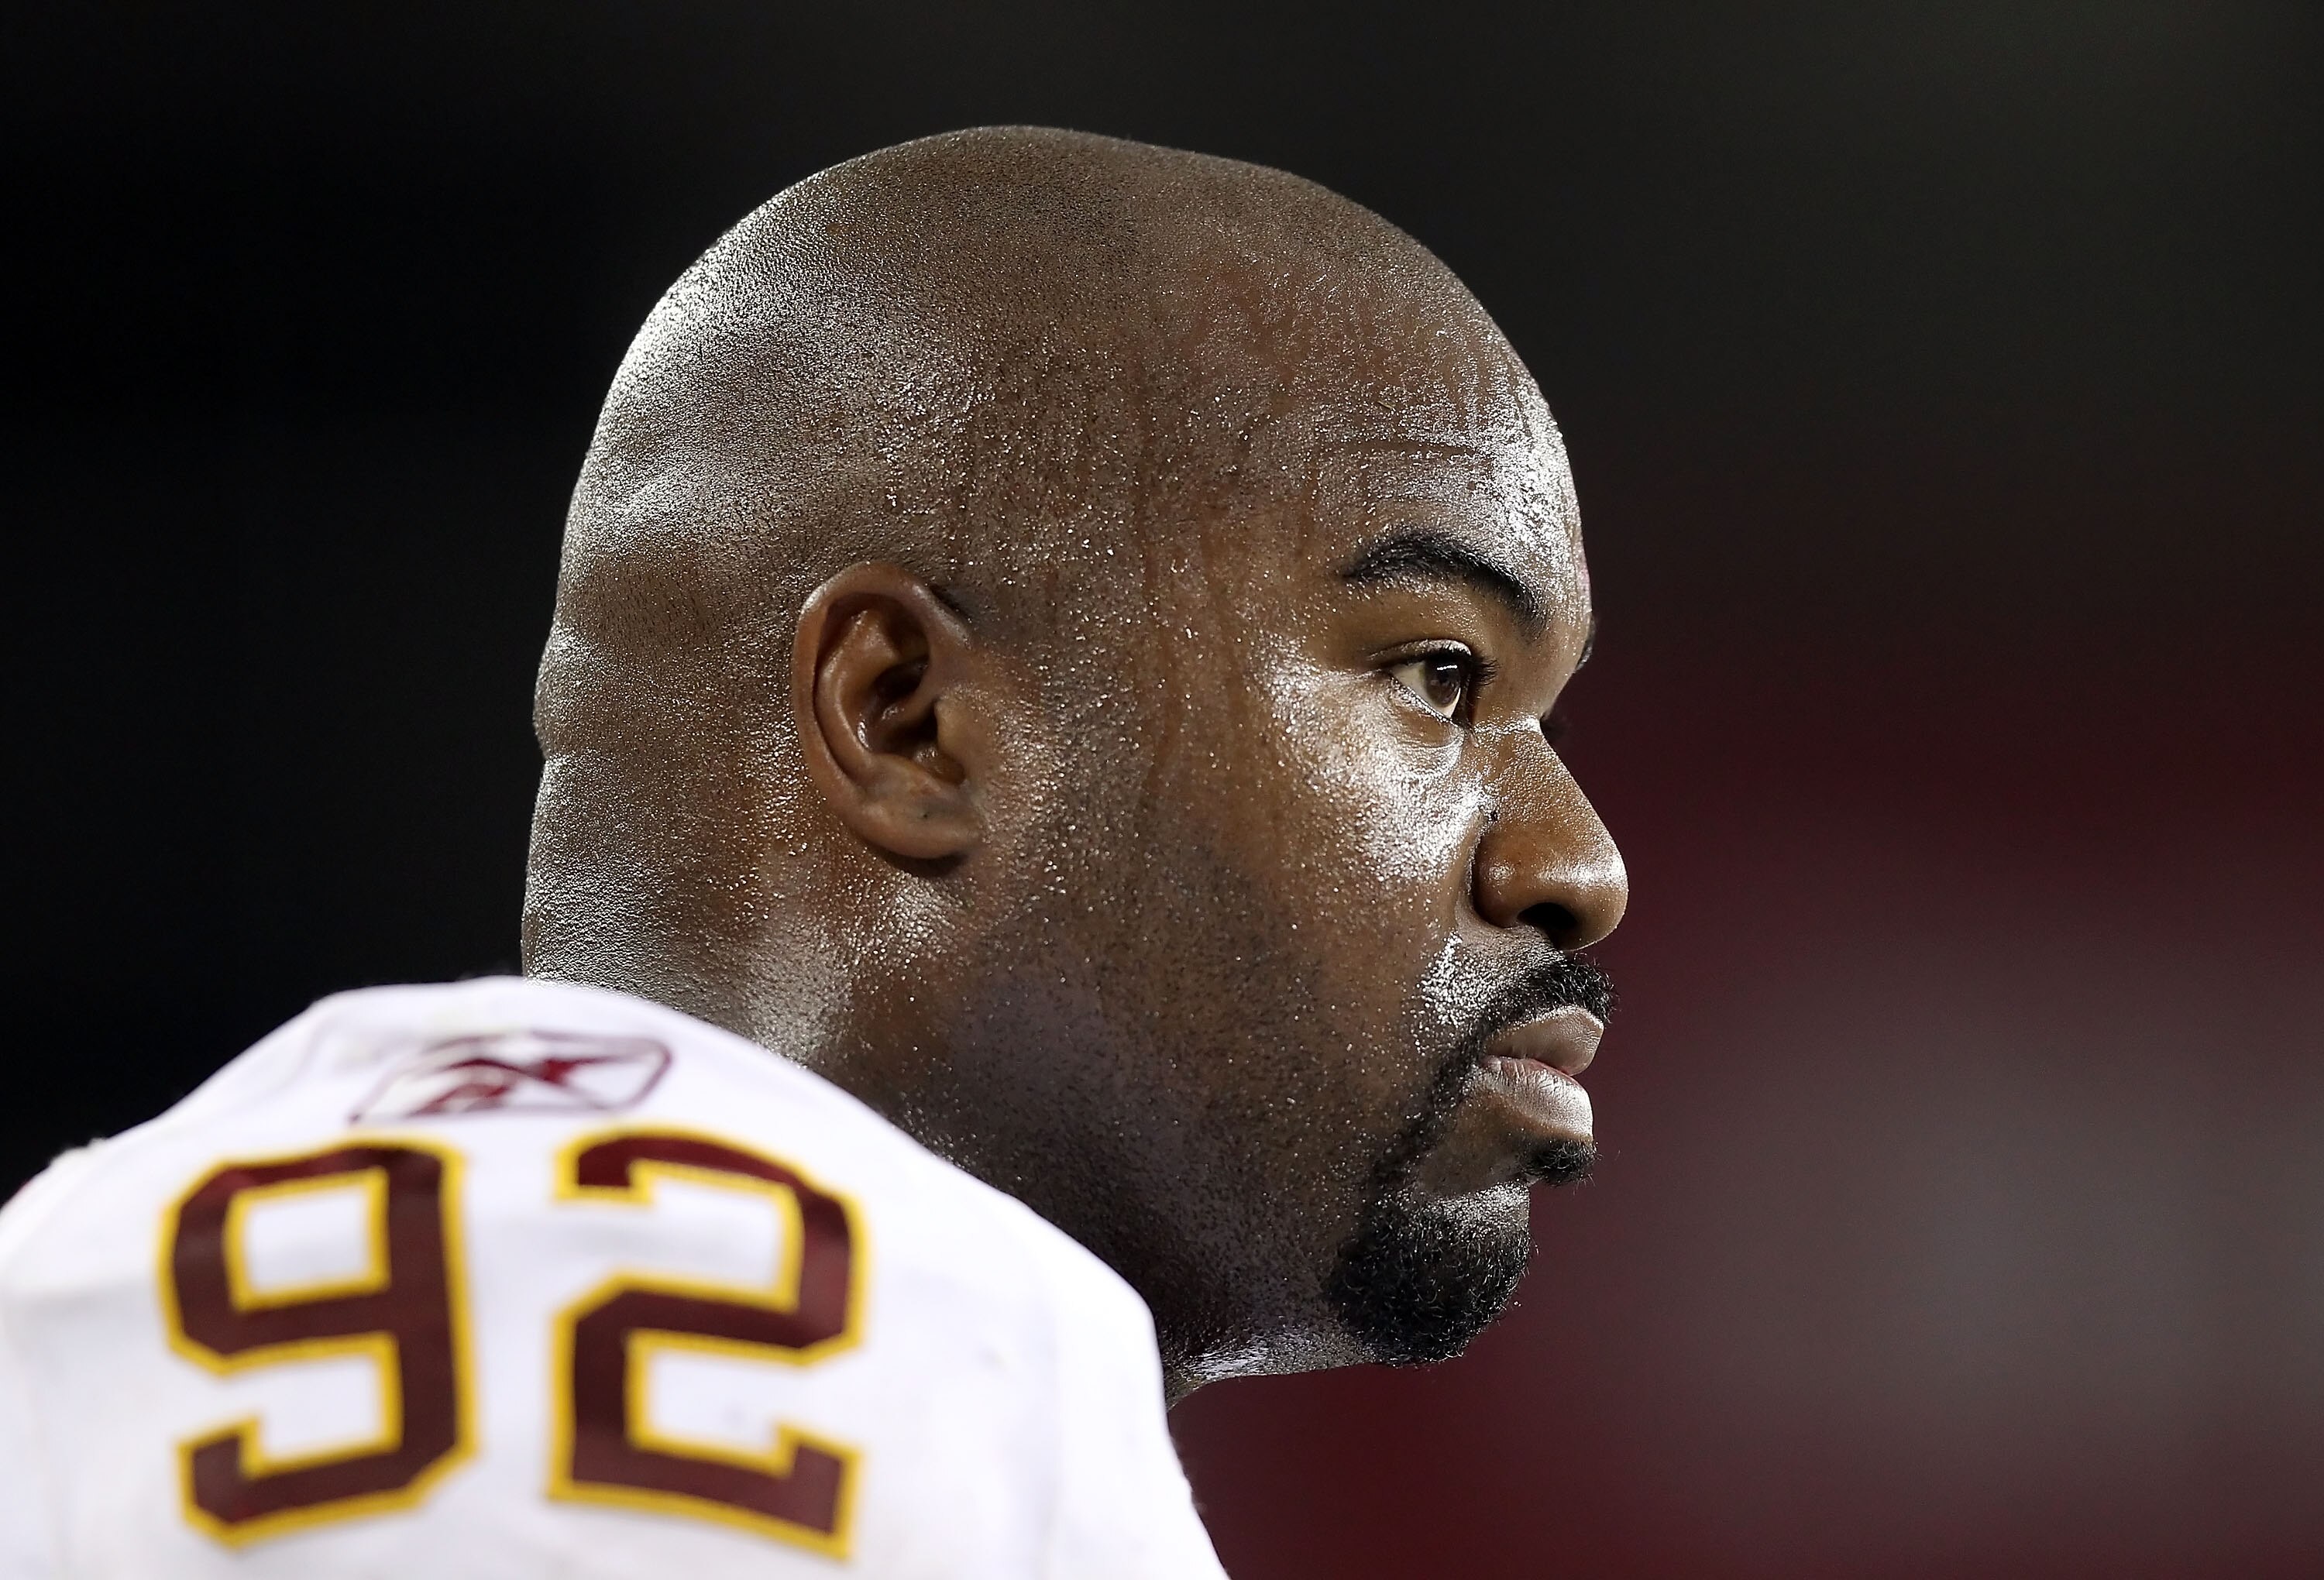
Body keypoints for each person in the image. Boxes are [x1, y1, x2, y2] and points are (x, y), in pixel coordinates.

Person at [0, 126, 1626, 1577]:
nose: (1580, 862)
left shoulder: (67, 1280)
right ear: (907, 714)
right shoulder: (883, 1371)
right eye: (1440, 677)